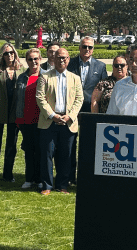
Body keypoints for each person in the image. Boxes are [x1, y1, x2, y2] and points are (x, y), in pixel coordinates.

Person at [36, 48, 84, 195]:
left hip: (68, 122)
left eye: (64, 57)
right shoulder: (45, 76)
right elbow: (40, 97)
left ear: (68, 59)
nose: (61, 60)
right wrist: (53, 115)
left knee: (66, 155)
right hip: (49, 122)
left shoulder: (75, 78)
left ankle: (62, 185)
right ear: (54, 59)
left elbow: (79, 99)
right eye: (59, 57)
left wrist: (70, 116)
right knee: (47, 154)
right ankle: (47, 185)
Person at [67, 36, 107, 182]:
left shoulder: (100, 66)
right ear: (79, 47)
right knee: (70, 144)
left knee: (88, 144)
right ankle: (70, 176)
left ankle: (86, 177)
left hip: (90, 110)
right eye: (84, 46)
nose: (87, 49)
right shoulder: (69, 63)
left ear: (93, 49)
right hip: (71, 109)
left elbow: (103, 88)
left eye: (90, 47)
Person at [0, 43, 27, 183]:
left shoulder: (21, 70)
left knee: (11, 145)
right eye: (6, 53)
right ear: (2, 56)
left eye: (11, 53)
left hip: (14, 112)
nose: (9, 55)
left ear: (15, 54)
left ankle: (8, 174)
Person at [16, 48, 43, 190]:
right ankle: (29, 179)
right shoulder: (22, 78)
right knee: (28, 150)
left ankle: (39, 179)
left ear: (40, 60)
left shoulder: (46, 76)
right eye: (30, 59)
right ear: (26, 61)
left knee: (40, 151)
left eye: (36, 59)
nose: (33, 62)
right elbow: (18, 99)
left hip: (41, 120)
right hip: (25, 120)